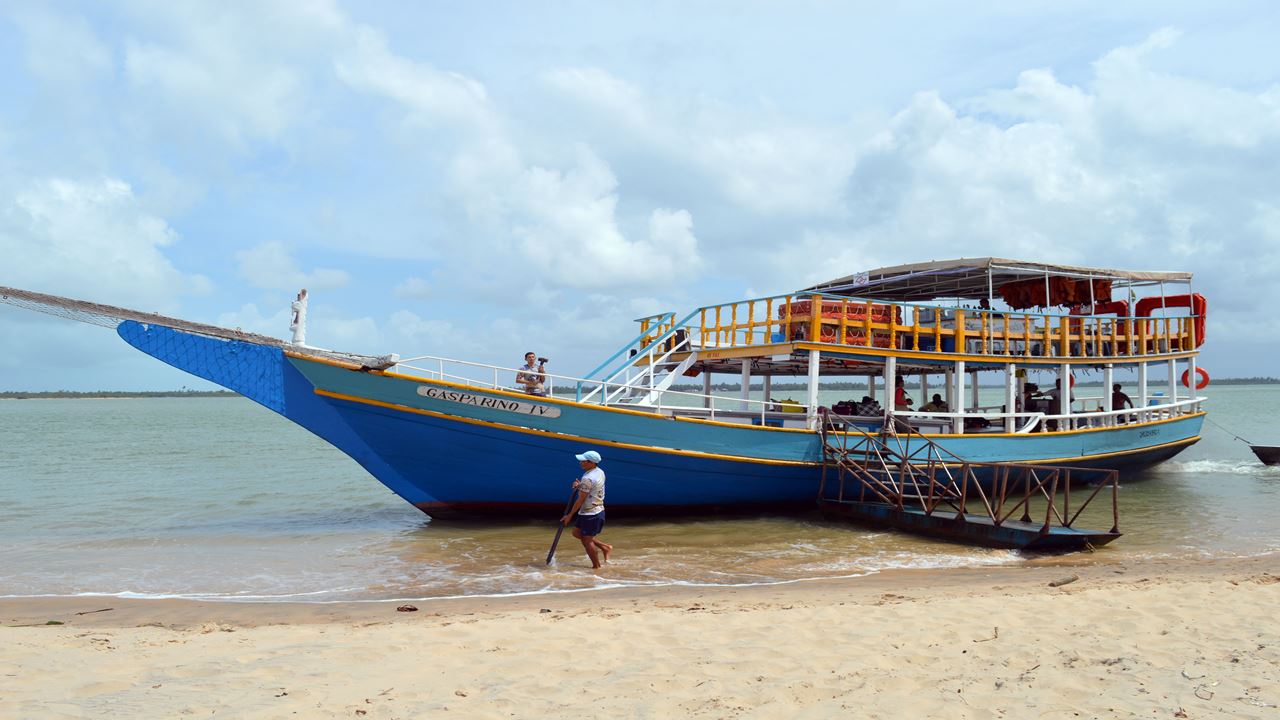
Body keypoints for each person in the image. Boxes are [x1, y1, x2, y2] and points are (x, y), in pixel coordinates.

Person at [561, 450, 612, 570]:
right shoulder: (599, 472)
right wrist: (580, 486)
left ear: (591, 462)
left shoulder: (588, 478)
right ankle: (605, 547)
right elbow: (592, 488)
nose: (580, 463)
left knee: (587, 541)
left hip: (591, 513)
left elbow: (581, 499)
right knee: (576, 533)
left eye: (583, 461)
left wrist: (569, 515)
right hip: (594, 510)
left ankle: (596, 567)